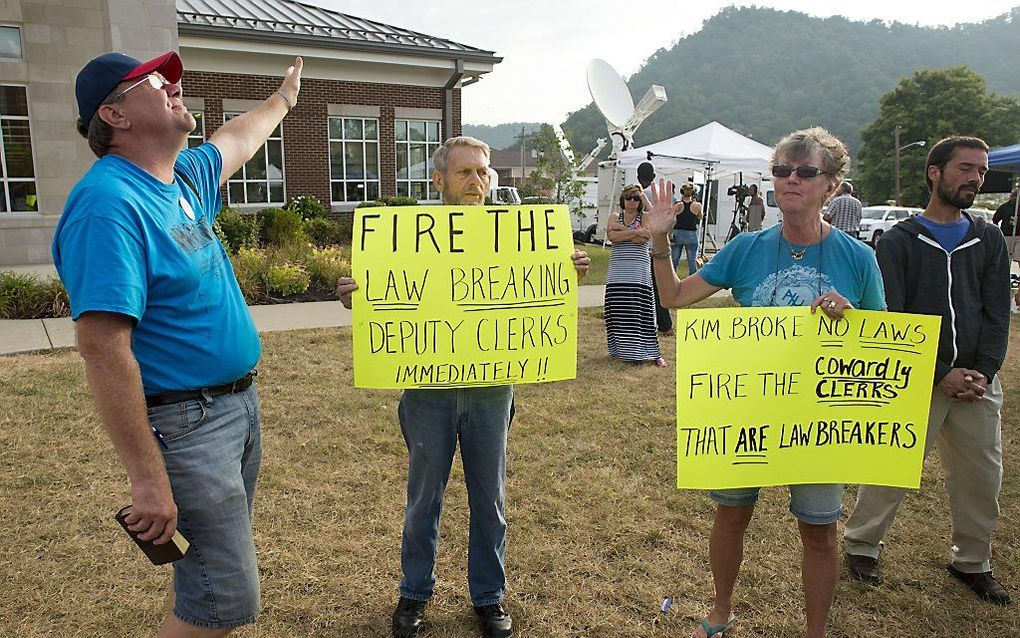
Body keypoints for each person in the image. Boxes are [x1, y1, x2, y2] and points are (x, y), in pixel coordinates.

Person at [52, 50, 302, 636]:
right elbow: (103, 348)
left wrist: (284, 98)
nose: (172, 85)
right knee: (224, 599)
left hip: (235, 407)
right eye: (152, 81)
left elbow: (238, 138)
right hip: (187, 423)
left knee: (205, 580)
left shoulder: (180, 177)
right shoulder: (108, 206)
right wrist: (146, 478)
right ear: (114, 114)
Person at [337, 136, 590, 638]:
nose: (478, 182)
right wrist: (358, 295)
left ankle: (489, 597)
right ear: (439, 181)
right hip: (427, 389)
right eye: (465, 173)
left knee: (489, 498)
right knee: (423, 497)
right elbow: (390, 294)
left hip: (491, 389)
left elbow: (532, 292)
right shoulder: (406, 238)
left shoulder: (516, 235)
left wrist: (564, 271)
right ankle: (413, 594)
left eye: (484, 172)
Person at [643, 128, 886, 638]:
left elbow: (879, 344)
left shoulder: (859, 259)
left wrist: (852, 318)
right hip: (748, 412)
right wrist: (661, 238)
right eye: (781, 171)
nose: (790, 180)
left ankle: (815, 631)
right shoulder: (746, 248)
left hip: (821, 420)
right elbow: (673, 298)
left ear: (833, 186)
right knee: (731, 516)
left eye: (805, 172)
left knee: (819, 530)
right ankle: (720, 612)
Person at [844, 136, 1012, 606]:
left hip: (978, 382)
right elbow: (892, 315)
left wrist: (983, 370)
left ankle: (972, 561)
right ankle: (862, 545)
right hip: (918, 378)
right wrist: (939, 372)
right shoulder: (899, 241)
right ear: (934, 173)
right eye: (965, 168)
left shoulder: (988, 237)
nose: (975, 179)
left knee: (982, 476)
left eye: (979, 171)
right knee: (892, 468)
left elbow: (998, 310)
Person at [604, 183, 666, 366]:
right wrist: (634, 232)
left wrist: (621, 230)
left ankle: (650, 352)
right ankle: (619, 350)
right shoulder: (615, 216)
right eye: (629, 197)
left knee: (641, 311)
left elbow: (645, 238)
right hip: (618, 271)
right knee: (617, 310)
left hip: (638, 271)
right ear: (623, 199)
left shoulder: (645, 217)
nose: (632, 201)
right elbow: (612, 238)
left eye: (636, 198)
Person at [638, 161, 675, 336]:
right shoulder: (666, 196)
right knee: (661, 285)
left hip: (648, 247)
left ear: (639, 178)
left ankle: (663, 323)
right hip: (664, 244)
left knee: (650, 286)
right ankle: (663, 323)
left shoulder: (641, 195)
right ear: (654, 176)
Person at [672, 182, 704, 274]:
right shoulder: (697, 205)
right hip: (691, 234)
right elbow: (700, 217)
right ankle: (692, 282)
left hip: (677, 233)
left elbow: (672, 217)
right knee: (692, 261)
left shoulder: (677, 204)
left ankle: (672, 278)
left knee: (674, 259)